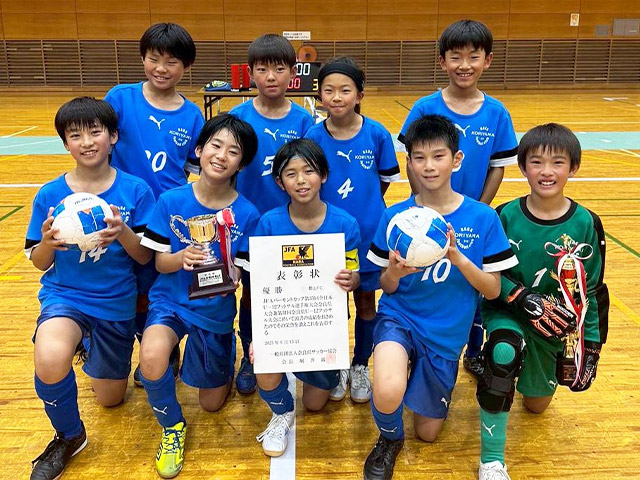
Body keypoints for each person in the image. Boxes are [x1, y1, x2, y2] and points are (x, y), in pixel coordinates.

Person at [363, 115, 518, 480]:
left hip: (446, 333)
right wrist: (395, 273)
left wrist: (459, 257)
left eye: (438, 156)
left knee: (428, 433)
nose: (429, 166)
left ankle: (418, 376)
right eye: (419, 157)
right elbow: (385, 286)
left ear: (457, 159)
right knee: (387, 389)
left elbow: (493, 290)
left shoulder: (482, 218)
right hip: (400, 317)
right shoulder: (396, 218)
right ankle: (389, 438)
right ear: (409, 162)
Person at [26, 97, 155, 480]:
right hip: (65, 296)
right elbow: (39, 262)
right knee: (50, 356)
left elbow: (144, 257)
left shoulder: (136, 191)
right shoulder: (50, 195)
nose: (86, 142)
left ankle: (87, 342)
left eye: (95, 132)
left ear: (113, 136)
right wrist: (47, 242)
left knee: (111, 400)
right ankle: (69, 435)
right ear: (65, 143)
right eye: (75, 135)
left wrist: (123, 232)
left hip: (116, 302)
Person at [475, 123, 609, 480]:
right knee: (504, 353)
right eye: (536, 162)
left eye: (557, 163)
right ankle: (492, 461)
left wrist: (591, 345)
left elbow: (592, 290)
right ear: (522, 167)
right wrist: (519, 296)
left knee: (536, 406)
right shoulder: (504, 215)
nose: (546, 171)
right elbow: (487, 274)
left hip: (553, 327)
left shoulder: (586, 223)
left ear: (573, 168)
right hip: (507, 311)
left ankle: (524, 375)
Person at [138, 114, 259, 478]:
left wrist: (234, 275)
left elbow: (244, 272)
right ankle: (172, 427)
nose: (222, 155)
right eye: (216, 146)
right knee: (151, 357)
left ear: (242, 163)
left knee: (211, 404)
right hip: (171, 302)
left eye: (233, 151)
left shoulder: (247, 213)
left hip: (214, 310)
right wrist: (180, 258)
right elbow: (159, 263)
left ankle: (225, 353)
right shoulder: (170, 200)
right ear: (199, 150)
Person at [398, 20, 518, 378]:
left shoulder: (496, 113)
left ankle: (475, 349)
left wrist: (479, 208)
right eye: (455, 57)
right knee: (428, 278)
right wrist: (421, 202)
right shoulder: (425, 107)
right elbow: (410, 160)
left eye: (473, 57)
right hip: (427, 217)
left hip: (471, 216)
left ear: (488, 60)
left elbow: (497, 167)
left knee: (474, 281)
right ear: (442, 61)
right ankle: (419, 342)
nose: (464, 65)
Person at [105, 22, 205, 385]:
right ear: (143, 58)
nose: (161, 69)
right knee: (125, 286)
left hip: (163, 219)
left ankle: (165, 349)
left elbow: (192, 170)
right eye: (153, 59)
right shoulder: (120, 98)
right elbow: (100, 146)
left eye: (172, 61)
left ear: (186, 66)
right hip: (121, 214)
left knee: (155, 288)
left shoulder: (192, 115)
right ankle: (129, 343)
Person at [248, 138, 361, 457]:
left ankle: (336, 368)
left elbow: (354, 273)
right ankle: (281, 412)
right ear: (279, 182)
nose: (301, 180)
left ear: (323, 175)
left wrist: (351, 279)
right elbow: (260, 285)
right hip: (283, 323)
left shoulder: (345, 224)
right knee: (264, 367)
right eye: (291, 173)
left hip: (321, 325)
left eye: (309, 171)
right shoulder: (269, 224)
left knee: (314, 404)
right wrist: (260, 336)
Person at [304, 57, 401, 403]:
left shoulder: (377, 134)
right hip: (325, 237)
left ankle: (360, 364)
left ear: (359, 95)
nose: (336, 97)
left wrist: (366, 208)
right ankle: (334, 365)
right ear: (319, 95)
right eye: (328, 90)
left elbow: (383, 182)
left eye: (345, 90)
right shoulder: (313, 136)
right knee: (330, 303)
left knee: (365, 303)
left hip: (369, 235)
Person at [230, 33, 315, 395]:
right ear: (250, 73)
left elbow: (312, 172)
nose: (270, 77)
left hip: (293, 226)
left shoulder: (304, 121)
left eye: (279, 69)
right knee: (252, 294)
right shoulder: (237, 118)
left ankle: (295, 349)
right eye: (262, 69)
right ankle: (251, 355)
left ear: (292, 74)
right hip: (250, 228)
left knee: (292, 292)